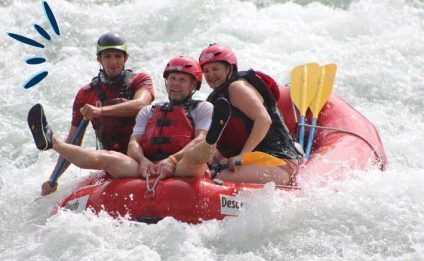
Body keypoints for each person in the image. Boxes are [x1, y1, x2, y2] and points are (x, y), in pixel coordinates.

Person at [28, 56, 230, 184]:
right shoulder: (150, 111)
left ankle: (214, 138)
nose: (175, 85)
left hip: (180, 166)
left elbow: (197, 138)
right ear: (166, 82)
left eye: (182, 80)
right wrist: (142, 161)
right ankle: (52, 141)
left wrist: (172, 160)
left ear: (194, 85)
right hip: (149, 166)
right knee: (106, 157)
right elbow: (134, 143)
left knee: (197, 152)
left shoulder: (204, 108)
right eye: (172, 79)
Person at [40, 32, 155, 196]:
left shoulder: (140, 80)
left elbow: (141, 104)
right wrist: (54, 178)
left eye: (117, 56)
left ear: (125, 58)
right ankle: (51, 141)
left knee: (108, 157)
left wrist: (100, 110)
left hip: (144, 158)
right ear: (99, 59)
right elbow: (74, 141)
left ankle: (53, 141)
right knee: (104, 157)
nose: (113, 62)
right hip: (112, 162)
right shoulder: (86, 94)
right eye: (107, 56)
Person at [199, 44, 302, 185]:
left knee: (210, 178)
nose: (210, 75)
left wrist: (242, 156)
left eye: (216, 69)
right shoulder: (215, 99)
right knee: (202, 170)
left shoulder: (237, 87)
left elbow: (264, 120)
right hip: (253, 162)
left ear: (229, 68)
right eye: (206, 71)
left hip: (278, 163)